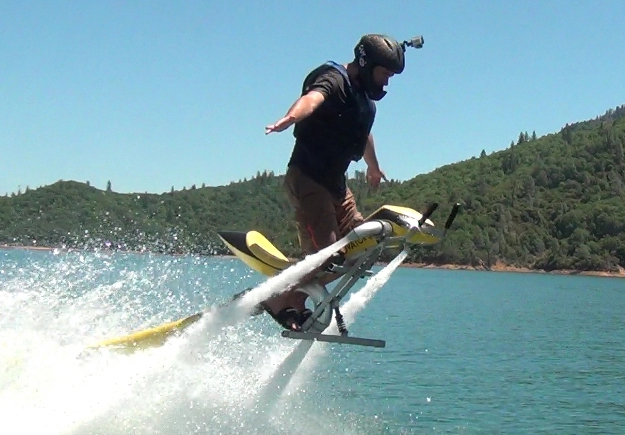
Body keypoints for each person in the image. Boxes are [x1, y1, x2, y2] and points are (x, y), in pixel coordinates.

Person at [261, 34, 407, 331]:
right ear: (367, 64)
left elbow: (363, 134)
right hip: (308, 180)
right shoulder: (335, 80)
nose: (386, 83)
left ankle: (298, 290)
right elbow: (312, 99)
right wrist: (290, 117)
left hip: (336, 187)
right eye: (385, 74)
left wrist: (374, 168)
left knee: (361, 247)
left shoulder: (363, 101)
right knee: (328, 256)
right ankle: (281, 301)